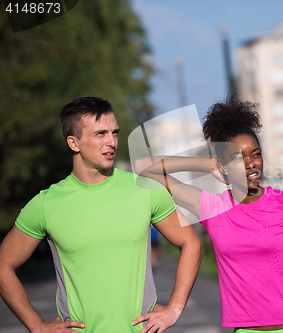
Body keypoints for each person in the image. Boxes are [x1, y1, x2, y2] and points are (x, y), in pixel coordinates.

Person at [134, 95, 283, 332]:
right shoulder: (212, 207)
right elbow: (142, 167)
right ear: (222, 165)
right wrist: (205, 165)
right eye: (238, 157)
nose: (250, 164)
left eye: (255, 154)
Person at [0, 97, 202, 333]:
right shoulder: (46, 204)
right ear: (73, 143)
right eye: (100, 134)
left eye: (114, 133)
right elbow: (3, 265)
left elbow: (191, 242)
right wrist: (37, 325)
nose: (112, 142)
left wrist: (174, 308)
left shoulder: (146, 189)